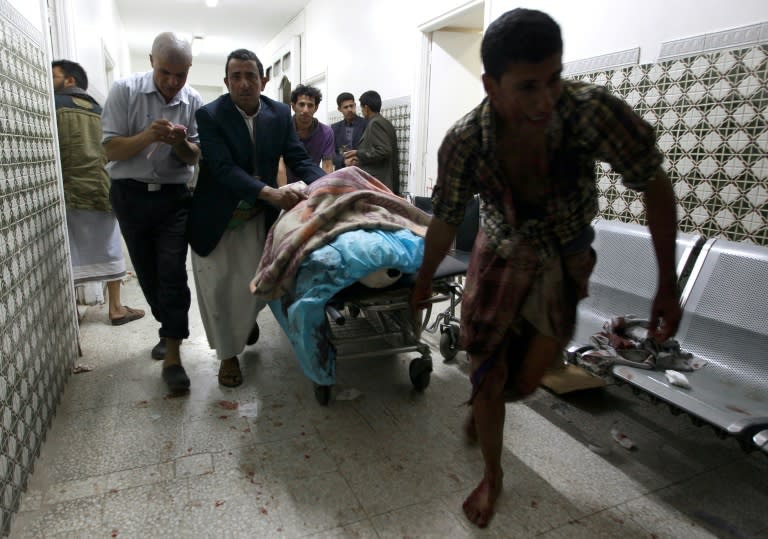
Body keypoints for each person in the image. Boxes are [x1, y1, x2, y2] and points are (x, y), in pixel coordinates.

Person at [410, 9, 680, 528]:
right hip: (500, 252)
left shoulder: (588, 112)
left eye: (553, 79)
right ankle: (493, 472)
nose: (545, 101)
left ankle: (491, 397)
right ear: (490, 84)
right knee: (487, 370)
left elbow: (654, 182)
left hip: (564, 256)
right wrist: (423, 280)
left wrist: (667, 284)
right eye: (527, 87)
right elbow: (444, 219)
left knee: (528, 380)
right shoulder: (466, 139)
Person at [187, 49, 325, 388]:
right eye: (236, 76)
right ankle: (228, 356)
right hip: (215, 215)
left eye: (251, 75)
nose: (244, 83)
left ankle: (245, 323)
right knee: (217, 287)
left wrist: (328, 184)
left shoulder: (279, 113)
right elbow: (221, 168)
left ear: (263, 80)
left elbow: (297, 156)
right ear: (226, 82)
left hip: (256, 218)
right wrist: (270, 193)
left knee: (254, 283)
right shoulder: (210, 115)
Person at [101, 32, 203, 392]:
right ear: (151, 63)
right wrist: (148, 136)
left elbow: (194, 157)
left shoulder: (193, 101)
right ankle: (168, 327)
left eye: (181, 75)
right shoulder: (124, 92)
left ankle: (174, 354)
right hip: (130, 195)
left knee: (173, 269)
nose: (173, 83)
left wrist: (181, 144)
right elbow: (111, 149)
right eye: (165, 73)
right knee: (147, 273)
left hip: (175, 197)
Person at [52, 60, 145, 327]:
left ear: (69, 81)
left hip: (70, 191)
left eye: (53, 75)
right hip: (105, 189)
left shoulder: (54, 107)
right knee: (110, 246)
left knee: (69, 253)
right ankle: (115, 308)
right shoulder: (101, 110)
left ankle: (69, 314)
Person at [343, 90, 399, 195]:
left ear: (366, 108)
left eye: (361, 108)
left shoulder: (375, 123)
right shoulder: (385, 122)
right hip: (385, 182)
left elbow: (384, 151)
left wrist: (358, 153)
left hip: (379, 183)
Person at [283, 84, 335, 180]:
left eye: (310, 105)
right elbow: (279, 164)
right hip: (285, 184)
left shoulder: (326, 132)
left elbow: (327, 165)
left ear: (316, 108)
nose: (306, 110)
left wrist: (326, 190)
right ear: (293, 106)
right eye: (301, 104)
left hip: (312, 183)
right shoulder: (283, 129)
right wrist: (283, 190)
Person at [330, 92, 366, 170]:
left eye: (351, 106)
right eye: (346, 107)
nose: (349, 109)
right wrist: (343, 161)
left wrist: (358, 159)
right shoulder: (334, 128)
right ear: (339, 109)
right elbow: (331, 153)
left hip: (362, 170)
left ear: (355, 105)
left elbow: (370, 150)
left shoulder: (366, 124)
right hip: (342, 171)